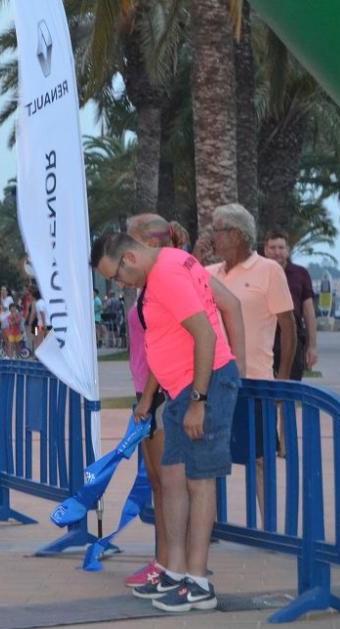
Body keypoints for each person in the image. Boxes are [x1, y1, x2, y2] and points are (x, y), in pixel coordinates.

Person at [91, 232, 245, 613]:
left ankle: (198, 580)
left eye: (118, 276)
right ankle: (174, 571)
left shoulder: (167, 274)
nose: (120, 284)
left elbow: (205, 334)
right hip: (177, 388)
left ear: (129, 256)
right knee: (174, 478)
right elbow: (163, 337)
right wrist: (147, 397)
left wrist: (199, 401)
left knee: (199, 479)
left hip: (200, 385)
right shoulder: (170, 263)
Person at [122, 213, 240, 590]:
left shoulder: (176, 270)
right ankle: (171, 568)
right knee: (165, 480)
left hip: (191, 385)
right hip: (161, 388)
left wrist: (234, 373)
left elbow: (228, 308)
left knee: (190, 480)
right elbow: (160, 338)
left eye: (130, 241)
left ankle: (190, 573)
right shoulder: (151, 277)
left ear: (148, 244)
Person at [207, 204, 295, 498]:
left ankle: (268, 528)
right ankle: (212, 527)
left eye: (216, 231)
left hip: (256, 382)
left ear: (236, 234)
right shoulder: (208, 273)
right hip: (213, 381)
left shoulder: (269, 271)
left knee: (261, 458)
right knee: (210, 460)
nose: (212, 238)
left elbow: (289, 327)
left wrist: (282, 380)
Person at [264, 231, 318, 380]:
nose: (277, 252)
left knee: (291, 387)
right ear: (265, 250)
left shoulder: (300, 274)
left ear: (287, 250)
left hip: (293, 337)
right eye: (272, 248)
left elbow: (308, 311)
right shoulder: (259, 272)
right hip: (265, 338)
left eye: (281, 248)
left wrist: (312, 346)